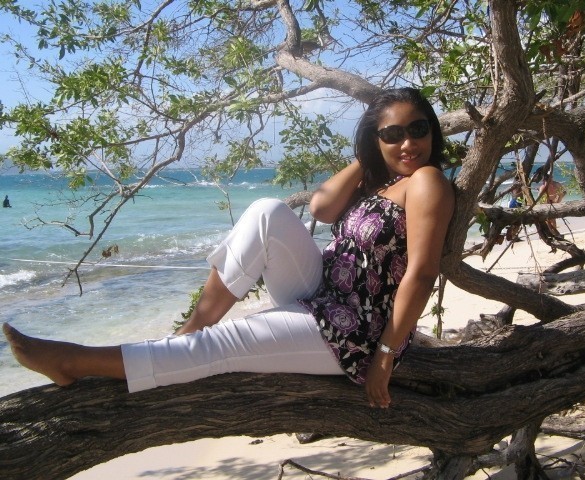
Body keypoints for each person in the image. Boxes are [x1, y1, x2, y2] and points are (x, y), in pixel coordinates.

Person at [3, 87, 455, 409]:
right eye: (392, 134)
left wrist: (385, 356)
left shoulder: (428, 182)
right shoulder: (387, 180)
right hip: (323, 292)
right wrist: (369, 157)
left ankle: (73, 361)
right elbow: (320, 208)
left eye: (417, 130)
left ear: (432, 131)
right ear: (377, 140)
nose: (408, 143)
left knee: (227, 344)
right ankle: (188, 331)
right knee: (266, 211)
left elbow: (420, 272)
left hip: (358, 331)